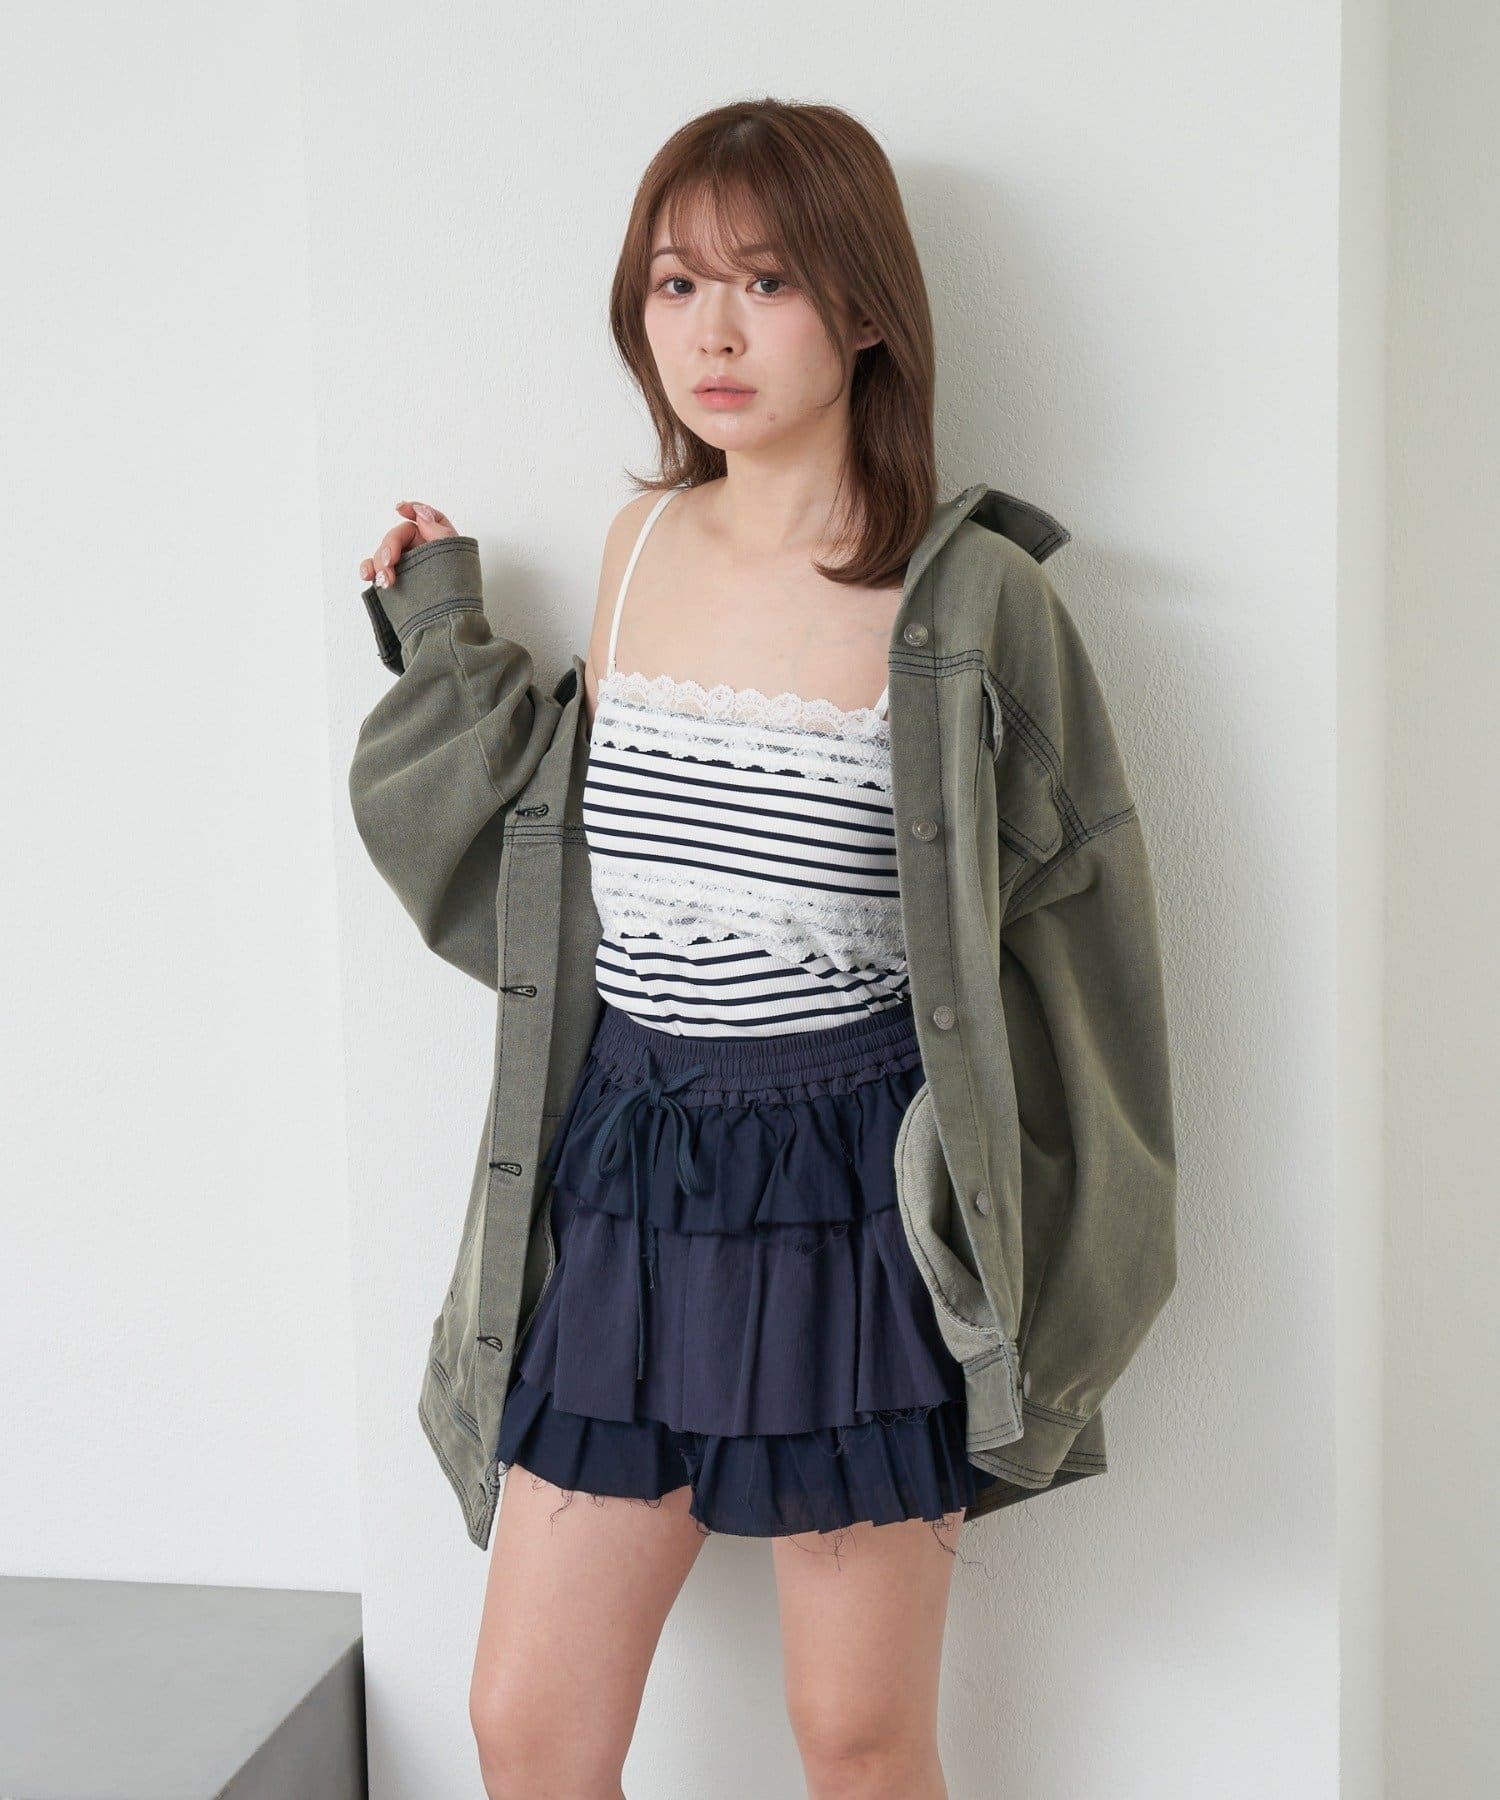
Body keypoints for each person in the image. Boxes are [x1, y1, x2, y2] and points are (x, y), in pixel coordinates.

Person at [353, 98, 1177, 1800]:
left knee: (857, 1743)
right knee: (528, 1723)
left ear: (865, 307)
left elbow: (1087, 954)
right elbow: (558, 856)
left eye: (768, 281)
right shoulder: (640, 541)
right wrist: (435, 621)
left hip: (851, 1194)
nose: (711, 333)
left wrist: (1070, 1273)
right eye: (675, 284)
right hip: (627, 1163)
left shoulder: (975, 600)